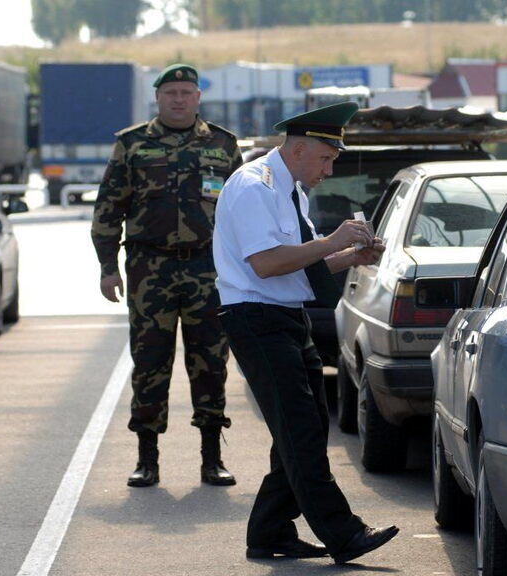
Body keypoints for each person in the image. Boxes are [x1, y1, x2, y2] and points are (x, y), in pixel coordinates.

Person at [213, 101, 398, 564]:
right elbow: (267, 263)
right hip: (255, 319)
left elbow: (300, 263)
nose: (330, 168)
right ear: (297, 149)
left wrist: (348, 256)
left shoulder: (289, 188)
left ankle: (270, 531)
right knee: (300, 431)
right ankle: (344, 533)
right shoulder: (255, 186)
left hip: (284, 316)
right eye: (326, 157)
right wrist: (332, 241)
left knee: (309, 426)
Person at [91, 63, 242, 488]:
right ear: (158, 98)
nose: (178, 99)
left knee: (211, 361)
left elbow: (241, 212)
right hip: (148, 268)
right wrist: (107, 267)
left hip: (208, 268)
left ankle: (212, 458)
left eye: (186, 92)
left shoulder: (223, 145)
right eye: (171, 92)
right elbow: (108, 208)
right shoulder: (132, 144)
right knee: (150, 362)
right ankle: (147, 459)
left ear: (198, 98)